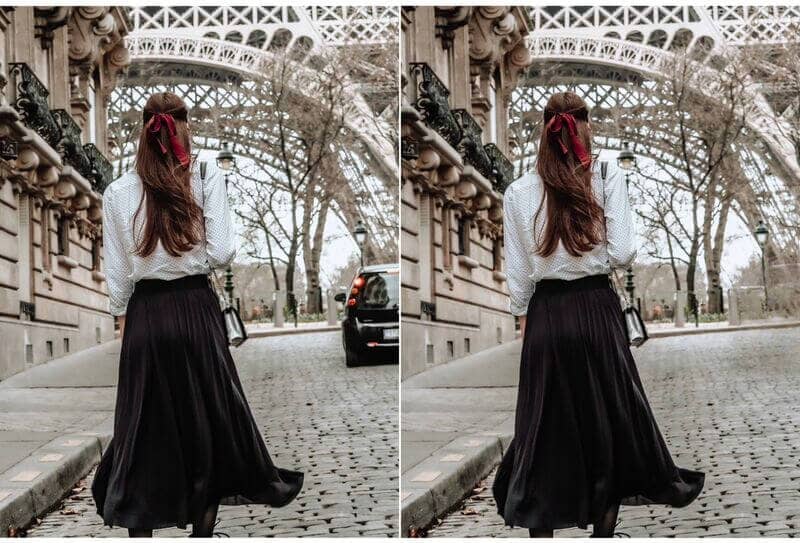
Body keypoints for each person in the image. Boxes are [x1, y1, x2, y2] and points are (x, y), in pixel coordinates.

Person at [92, 92, 303, 537]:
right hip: (195, 310)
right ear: (184, 127)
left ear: (143, 131)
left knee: (144, 427)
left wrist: (124, 318)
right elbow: (223, 251)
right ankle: (201, 533)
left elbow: (116, 277)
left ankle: (140, 529)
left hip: (146, 315)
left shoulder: (117, 192)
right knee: (208, 422)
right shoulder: (205, 175)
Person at [493, 91, 703, 538]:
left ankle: (541, 529)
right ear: (585, 128)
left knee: (544, 427)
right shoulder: (606, 176)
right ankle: (602, 534)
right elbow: (624, 251)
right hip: (596, 310)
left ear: (543, 132)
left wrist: (528, 313)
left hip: (547, 314)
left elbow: (517, 280)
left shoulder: (517, 192)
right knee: (609, 422)